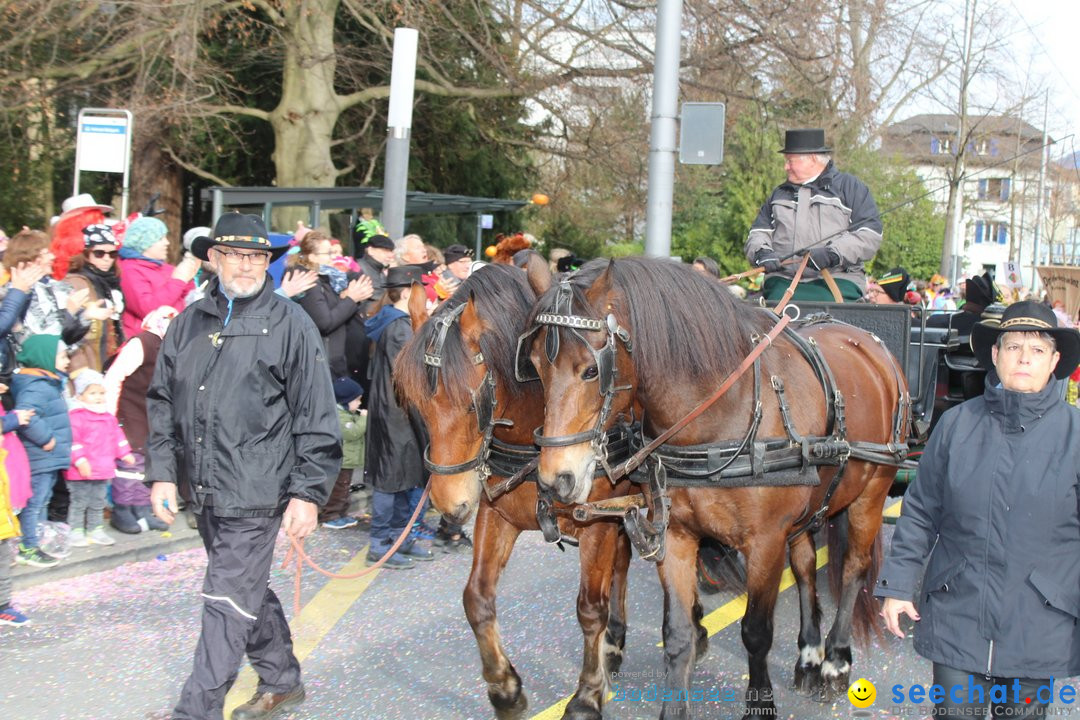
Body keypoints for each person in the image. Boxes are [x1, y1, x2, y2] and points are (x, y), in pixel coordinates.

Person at [145, 213, 341, 720]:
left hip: (258, 489)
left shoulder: (290, 323)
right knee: (242, 589)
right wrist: (163, 471)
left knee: (225, 600)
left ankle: (196, 710)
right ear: (213, 257)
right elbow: (163, 400)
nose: (247, 265)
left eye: (257, 256)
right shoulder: (189, 322)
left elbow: (316, 416)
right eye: (235, 254)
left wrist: (308, 493)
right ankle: (281, 677)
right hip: (202, 485)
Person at [876, 300, 1080, 718]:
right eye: (1013, 346)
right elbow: (920, 511)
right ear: (995, 355)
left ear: (1055, 361)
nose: (1024, 357)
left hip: (1038, 624)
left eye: (1037, 349)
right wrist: (896, 585)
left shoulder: (1075, 436)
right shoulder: (956, 425)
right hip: (958, 614)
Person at [745, 128, 883, 302]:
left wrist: (833, 254)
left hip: (838, 279)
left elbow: (870, 234)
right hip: (783, 281)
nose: (785, 167)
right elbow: (758, 233)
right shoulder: (777, 194)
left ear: (811, 158)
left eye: (790, 161)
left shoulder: (851, 188)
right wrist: (762, 253)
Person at [363, 265, 435, 569]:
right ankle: (381, 543)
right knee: (392, 480)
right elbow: (409, 377)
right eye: (421, 290)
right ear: (407, 292)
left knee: (403, 477)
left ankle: (400, 539)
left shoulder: (390, 321)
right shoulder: (401, 327)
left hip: (391, 411)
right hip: (399, 413)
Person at [104, 306, 178, 534]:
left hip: (153, 415)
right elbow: (115, 376)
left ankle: (143, 508)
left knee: (148, 462)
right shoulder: (142, 343)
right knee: (130, 463)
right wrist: (109, 413)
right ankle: (124, 508)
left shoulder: (172, 348)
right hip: (132, 410)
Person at [11, 334, 72, 569]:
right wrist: (46, 439)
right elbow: (26, 414)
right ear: (45, 358)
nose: (67, 360)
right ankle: (28, 546)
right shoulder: (37, 386)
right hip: (40, 456)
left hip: (48, 457)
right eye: (62, 356)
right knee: (34, 502)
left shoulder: (48, 382)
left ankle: (36, 540)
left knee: (42, 500)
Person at [282, 231, 372, 380]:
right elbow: (324, 322)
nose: (333, 257)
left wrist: (347, 298)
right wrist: (351, 299)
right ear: (312, 256)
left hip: (332, 357)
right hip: (323, 361)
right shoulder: (308, 281)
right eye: (328, 253)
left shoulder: (328, 277)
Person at [64, 369, 135, 547]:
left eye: (101, 393)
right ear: (80, 395)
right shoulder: (76, 417)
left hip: (103, 468)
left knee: (98, 502)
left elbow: (117, 437)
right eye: (92, 393)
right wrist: (80, 460)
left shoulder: (108, 417)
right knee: (79, 502)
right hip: (81, 470)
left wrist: (125, 453)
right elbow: (73, 441)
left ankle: (95, 529)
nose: (98, 397)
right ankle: (76, 529)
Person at [118, 216, 198, 339]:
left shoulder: (166, 268)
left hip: (173, 339)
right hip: (146, 344)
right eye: (160, 238)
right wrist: (178, 281)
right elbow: (148, 309)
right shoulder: (130, 270)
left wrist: (189, 277)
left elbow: (188, 301)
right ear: (145, 242)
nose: (167, 242)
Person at [66, 224, 125, 372]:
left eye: (112, 254)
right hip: (85, 362)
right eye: (99, 253)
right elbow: (69, 331)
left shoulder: (111, 282)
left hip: (109, 359)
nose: (107, 259)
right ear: (85, 254)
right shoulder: (77, 282)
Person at [321, 377, 365, 530]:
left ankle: (341, 513)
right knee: (338, 490)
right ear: (346, 401)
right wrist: (363, 420)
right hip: (342, 461)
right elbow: (352, 433)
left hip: (348, 461)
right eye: (357, 400)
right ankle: (330, 516)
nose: (359, 404)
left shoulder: (348, 415)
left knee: (345, 489)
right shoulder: (340, 417)